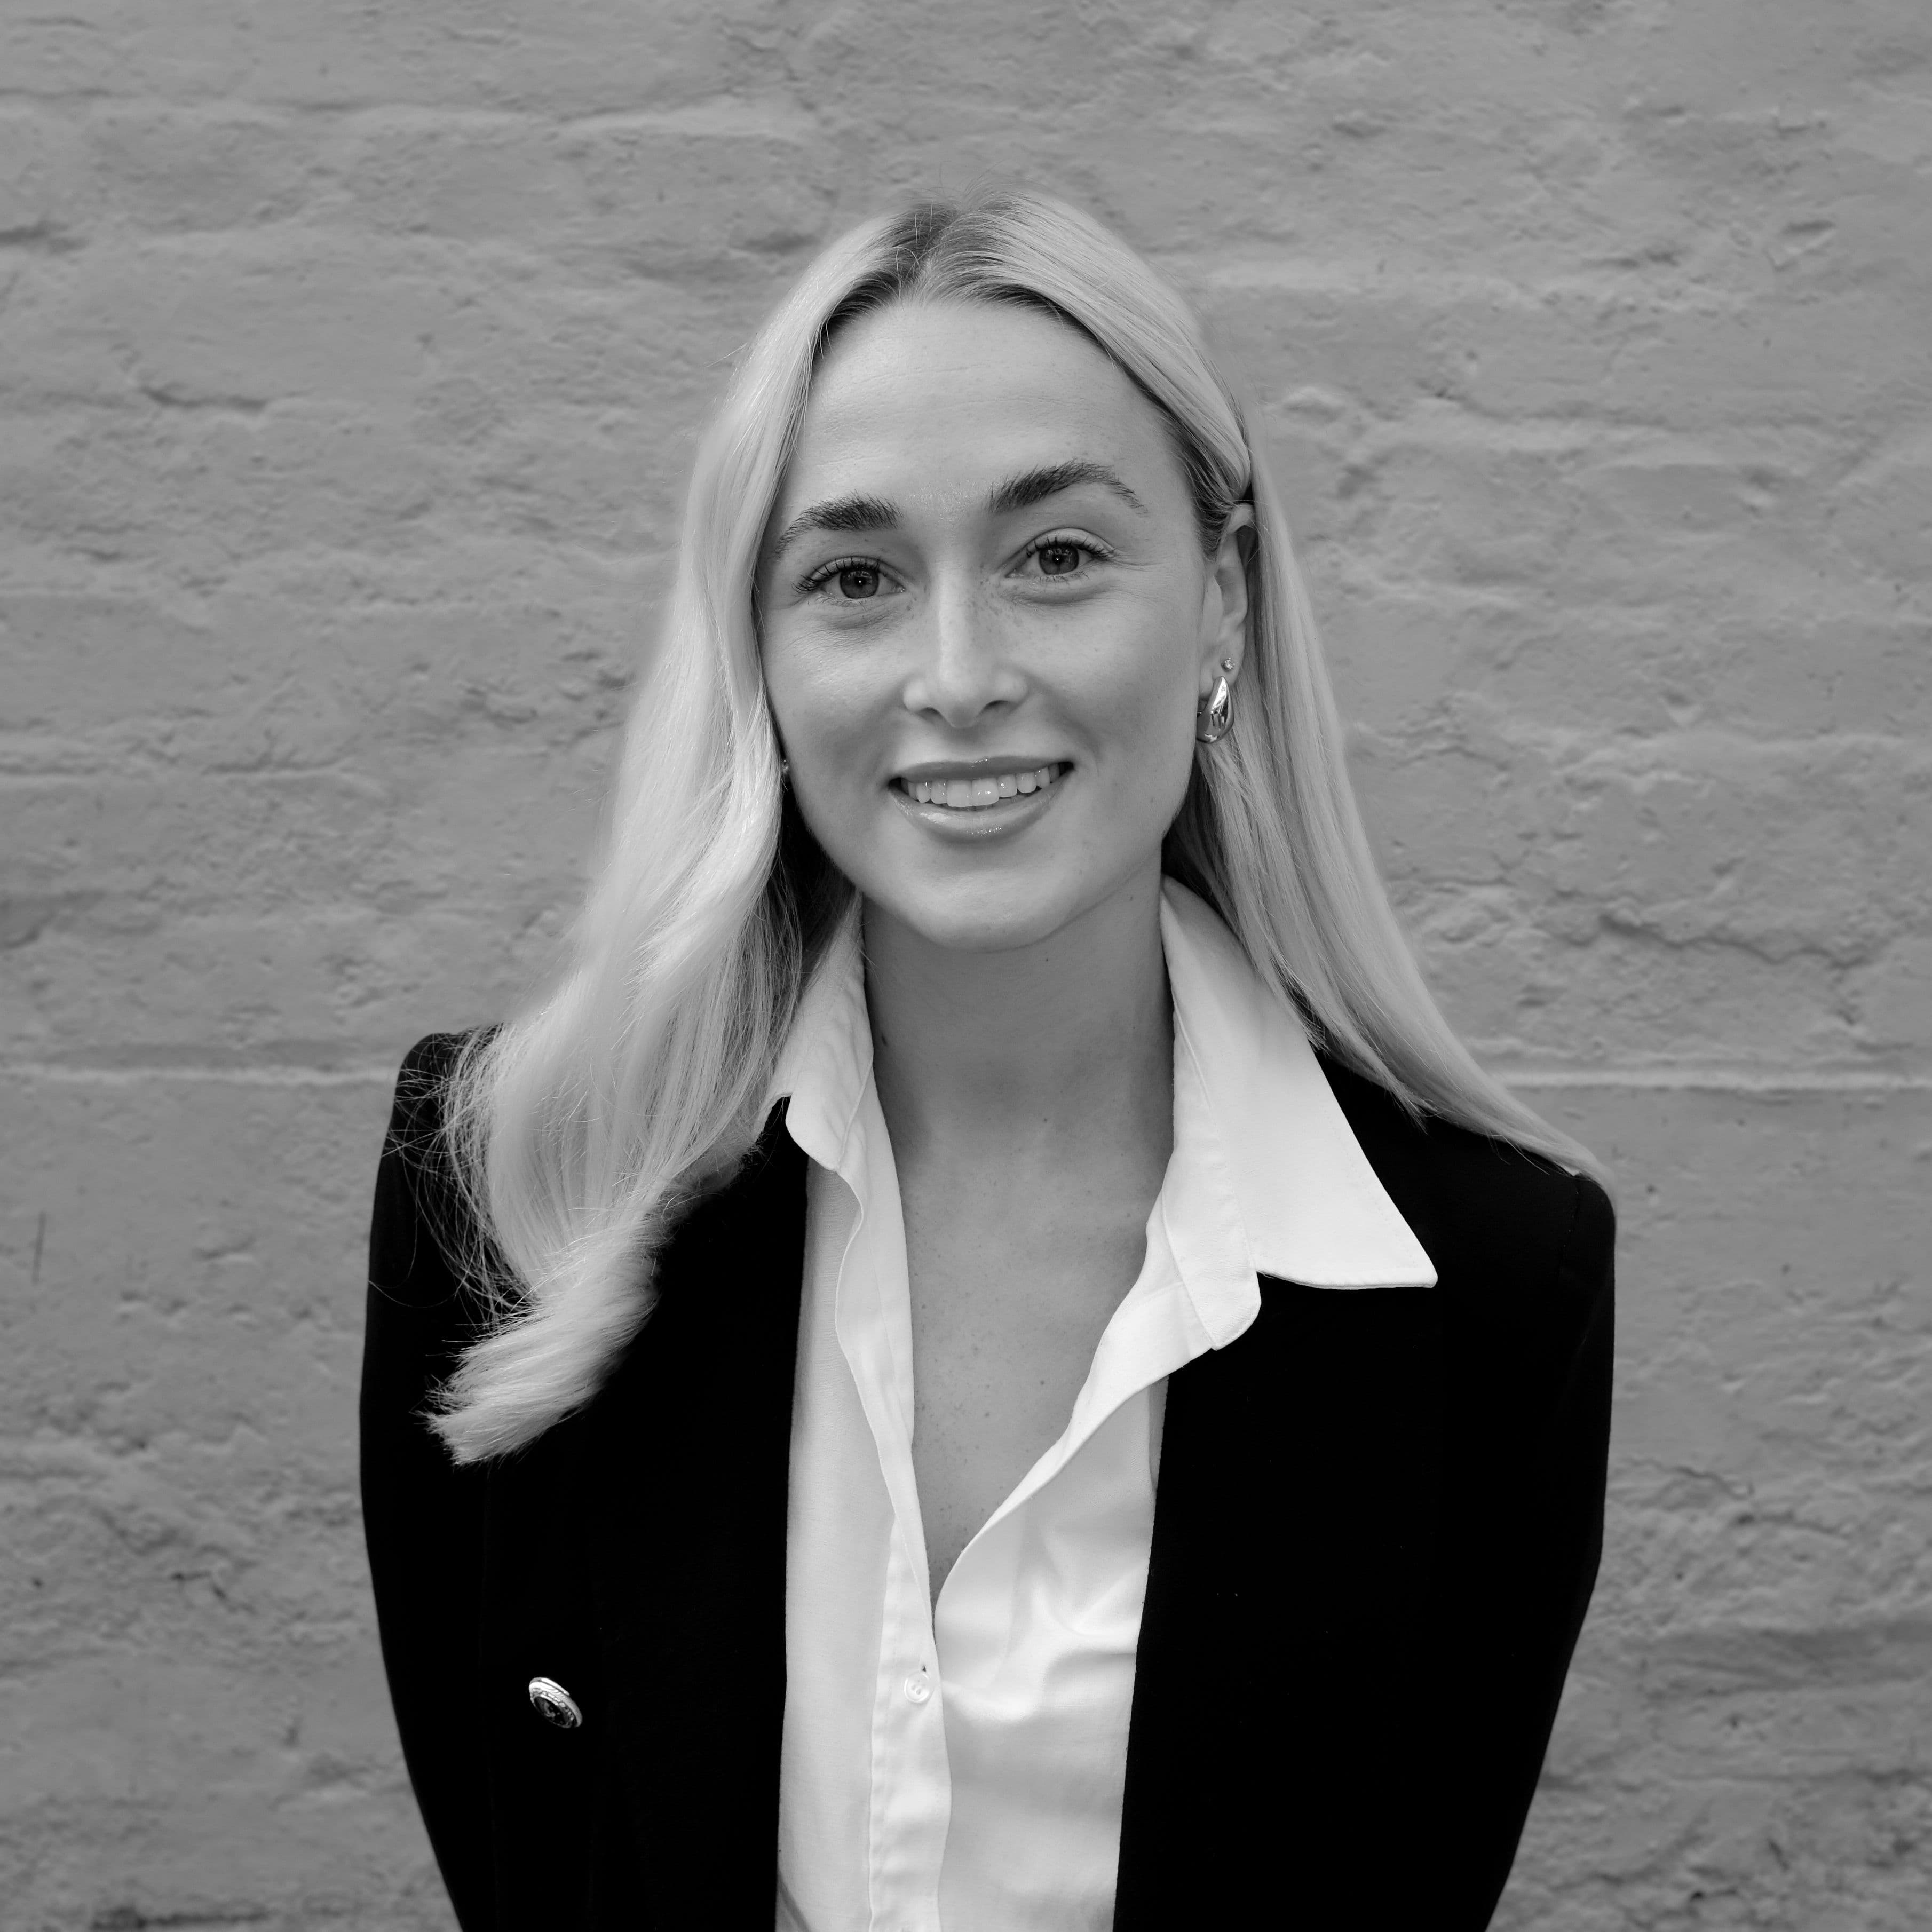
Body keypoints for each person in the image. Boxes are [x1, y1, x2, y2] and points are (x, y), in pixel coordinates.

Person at [360, 189, 1615, 1932]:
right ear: (759, 649)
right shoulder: (515, 1181)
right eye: (853, 578)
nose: (956, 677)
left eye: (1057, 555)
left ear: (1222, 603)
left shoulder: (1495, 1284)